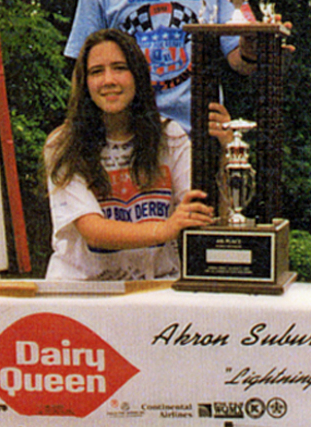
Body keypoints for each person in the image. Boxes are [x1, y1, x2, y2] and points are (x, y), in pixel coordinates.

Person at [45, 29, 230, 281]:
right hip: (84, 293)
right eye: (96, 71)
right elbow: (93, 230)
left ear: (138, 76)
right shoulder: (62, 144)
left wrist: (227, 154)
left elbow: (199, 212)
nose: (108, 80)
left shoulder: (171, 136)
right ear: (85, 83)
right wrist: (165, 229)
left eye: (119, 68)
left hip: (156, 289)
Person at [64, 0, 259, 135]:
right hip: (128, 135)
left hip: (198, 136)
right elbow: (83, 65)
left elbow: (240, 61)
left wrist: (253, 43)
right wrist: (76, 129)